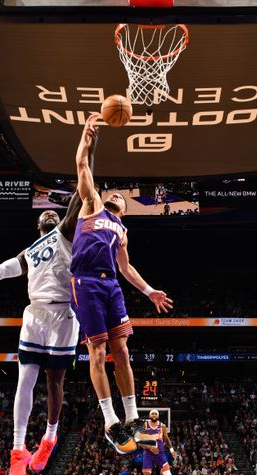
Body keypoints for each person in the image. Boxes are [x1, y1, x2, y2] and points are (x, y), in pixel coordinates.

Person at [0, 183, 83, 475]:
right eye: (47, 213)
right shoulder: (29, 252)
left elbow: (79, 200)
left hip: (64, 313)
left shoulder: (65, 233)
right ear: (38, 225)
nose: (52, 213)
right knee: (24, 381)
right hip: (35, 314)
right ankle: (17, 451)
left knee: (55, 381)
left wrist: (86, 167)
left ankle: (49, 440)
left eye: (56, 212)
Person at [71, 114, 173, 454]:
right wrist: (86, 138)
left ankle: (131, 417)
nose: (115, 196)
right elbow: (82, 166)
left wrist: (149, 291)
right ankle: (109, 421)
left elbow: (127, 269)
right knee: (97, 352)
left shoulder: (123, 231)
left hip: (112, 286)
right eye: (112, 194)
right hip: (85, 281)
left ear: (125, 210)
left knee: (123, 351)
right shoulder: (92, 205)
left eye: (121, 198)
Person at [138, 410, 189, 475]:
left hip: (160, 454)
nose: (154, 415)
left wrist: (171, 450)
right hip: (148, 454)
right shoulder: (144, 425)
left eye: (155, 414)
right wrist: (150, 448)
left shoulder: (162, 426)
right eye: (152, 413)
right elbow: (139, 441)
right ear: (149, 415)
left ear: (158, 416)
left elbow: (166, 438)